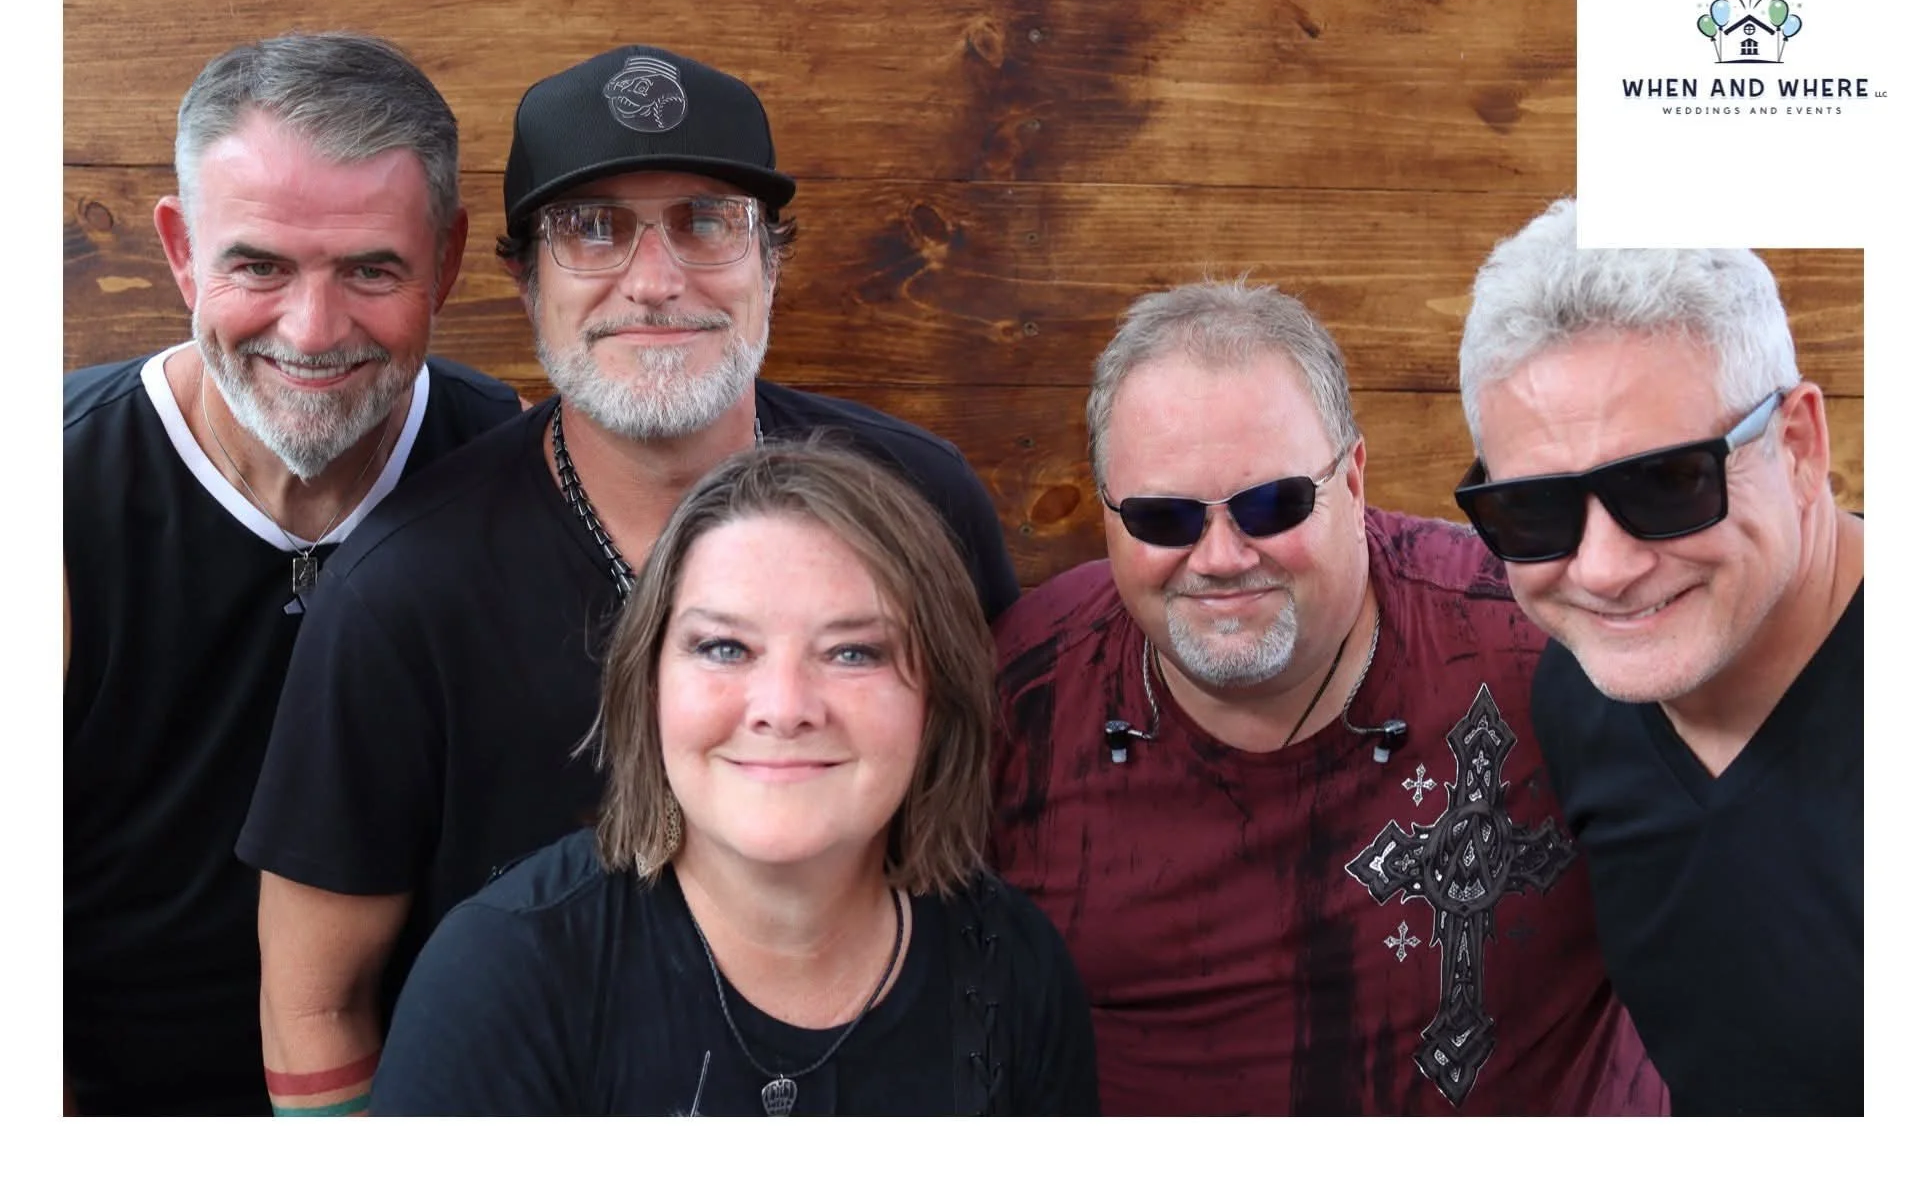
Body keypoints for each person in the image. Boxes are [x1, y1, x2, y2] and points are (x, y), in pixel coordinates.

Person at [237, 44, 1021, 1114]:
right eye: (590, 228)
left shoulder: (919, 506)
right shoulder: (398, 588)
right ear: (522, 277)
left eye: (707, 220)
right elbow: (315, 999)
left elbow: (993, 840)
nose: (656, 282)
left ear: (771, 262)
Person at [990, 279, 1666, 1115]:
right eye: (1164, 518)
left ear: (1353, 479)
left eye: (1273, 505)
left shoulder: (1544, 646)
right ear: (1106, 517)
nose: (1223, 557)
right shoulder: (1019, 697)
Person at [63, 32, 521, 1116]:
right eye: (258, 263)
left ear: (447, 261)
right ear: (181, 251)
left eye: (371, 268)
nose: (312, 331)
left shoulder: (506, 461)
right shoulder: (51, 486)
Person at [369, 443, 1097, 1115]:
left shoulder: (1016, 971)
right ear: (647, 682)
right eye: (724, 647)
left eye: (852, 653)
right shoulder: (499, 979)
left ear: (937, 697)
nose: (783, 709)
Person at [1453, 199, 1863, 1116]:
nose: (1602, 571)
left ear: (1798, 447)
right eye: (1534, 511)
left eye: (1668, 483)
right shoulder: (1584, 693)